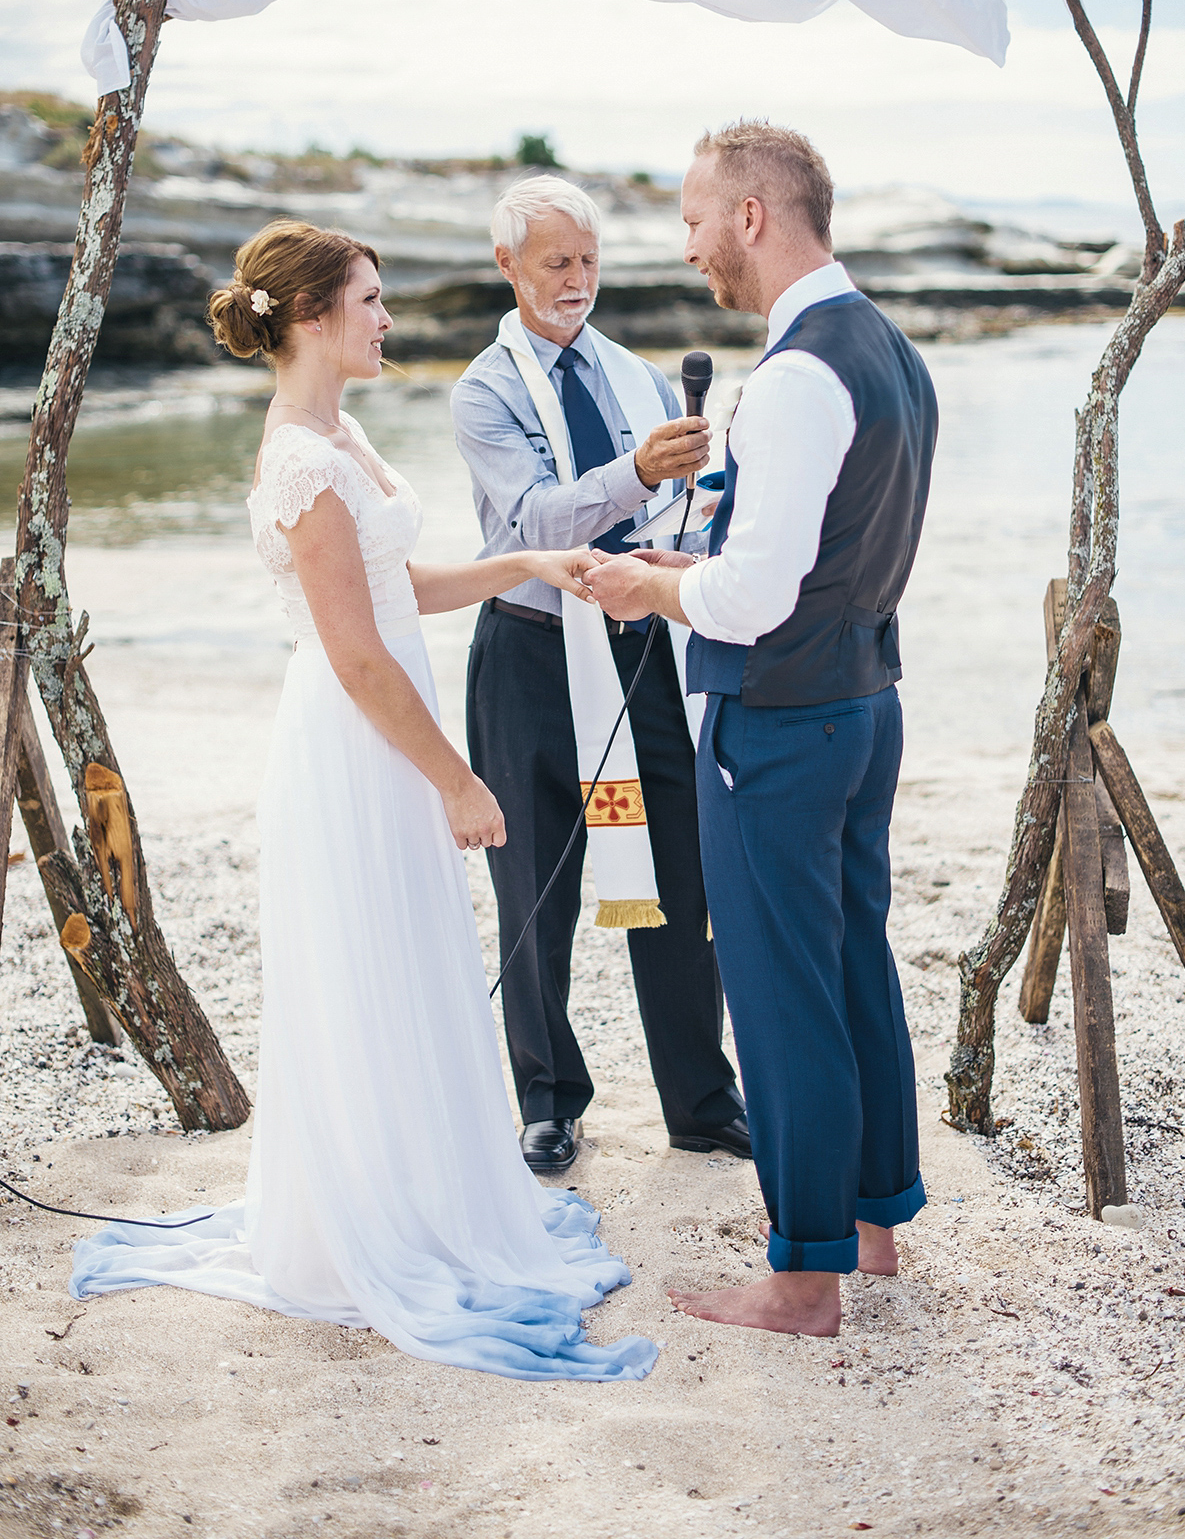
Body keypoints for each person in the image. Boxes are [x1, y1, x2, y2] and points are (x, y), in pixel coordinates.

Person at [68, 219, 656, 1384]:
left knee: (408, 962)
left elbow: (399, 589)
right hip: (355, 744)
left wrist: (524, 565)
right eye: (372, 299)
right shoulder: (297, 458)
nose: (389, 317)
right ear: (310, 315)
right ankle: (365, 1225)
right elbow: (358, 656)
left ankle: (422, 1186)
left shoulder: (344, 435)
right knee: (365, 966)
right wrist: (461, 777)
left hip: (383, 734)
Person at [582, 122, 938, 1337]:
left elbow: (753, 599)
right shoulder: (890, 349)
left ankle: (800, 1280)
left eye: (691, 219)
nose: (686, 248)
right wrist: (708, 559)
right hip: (862, 704)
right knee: (853, 966)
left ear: (751, 216)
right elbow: (832, 549)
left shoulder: (792, 377)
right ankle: (875, 1226)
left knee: (782, 992)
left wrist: (652, 586)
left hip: (777, 725)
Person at [450, 177, 748, 1173]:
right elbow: (533, 523)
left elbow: (675, 519)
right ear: (509, 268)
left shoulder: (637, 376)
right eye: (555, 264)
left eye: (588, 262)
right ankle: (548, 1098)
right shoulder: (484, 389)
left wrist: (705, 511)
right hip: (528, 649)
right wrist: (640, 475)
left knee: (679, 870)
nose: (576, 281)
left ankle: (701, 1099)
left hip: (636, 644)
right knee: (534, 874)